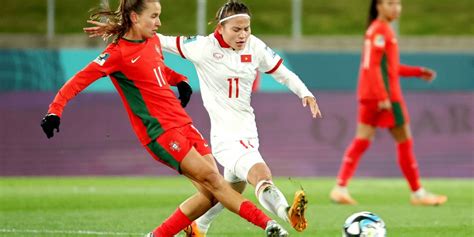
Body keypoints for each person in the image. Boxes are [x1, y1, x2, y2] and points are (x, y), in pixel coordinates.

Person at [40, 1, 289, 237]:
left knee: (211, 194)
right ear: (135, 17)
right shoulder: (117, 54)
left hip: (184, 124)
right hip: (160, 132)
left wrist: (179, 80)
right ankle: (268, 224)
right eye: (154, 16)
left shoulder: (151, 43)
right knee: (215, 181)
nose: (159, 23)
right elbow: (78, 80)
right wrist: (54, 110)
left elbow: (156, 69)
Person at [329, 0, 447, 206]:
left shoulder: (375, 30)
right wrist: (383, 96)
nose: (396, 8)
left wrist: (417, 72)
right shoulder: (381, 31)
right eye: (391, 3)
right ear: (378, 6)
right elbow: (373, 67)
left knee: (362, 139)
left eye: (398, 3)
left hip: (369, 95)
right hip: (386, 97)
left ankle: (340, 187)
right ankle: (418, 194)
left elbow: (388, 67)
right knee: (404, 141)